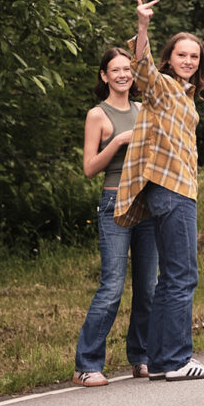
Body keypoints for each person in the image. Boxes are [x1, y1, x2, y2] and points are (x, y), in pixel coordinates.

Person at [113, 0, 204, 381]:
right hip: (171, 190)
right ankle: (176, 359)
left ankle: (159, 361)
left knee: (170, 276)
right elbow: (141, 67)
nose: (188, 60)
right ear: (169, 58)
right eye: (182, 54)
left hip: (176, 190)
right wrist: (142, 27)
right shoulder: (163, 88)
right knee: (181, 275)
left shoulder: (187, 98)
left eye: (194, 56)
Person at [73, 48, 157, 386]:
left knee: (148, 288)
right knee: (111, 287)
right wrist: (119, 140)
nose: (122, 74)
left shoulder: (142, 109)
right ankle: (87, 365)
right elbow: (90, 168)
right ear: (105, 76)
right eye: (115, 70)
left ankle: (141, 357)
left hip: (147, 203)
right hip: (114, 204)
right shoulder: (98, 114)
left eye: (127, 69)